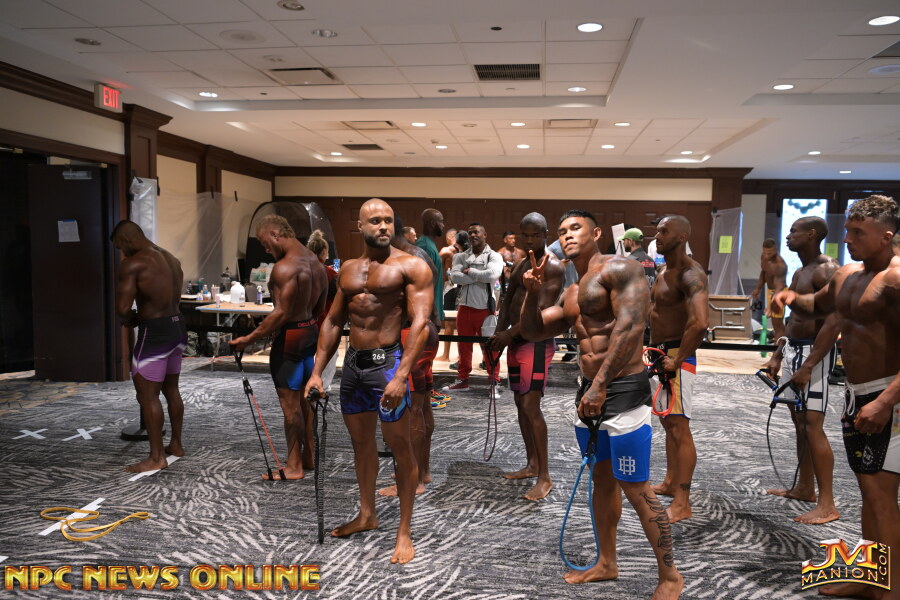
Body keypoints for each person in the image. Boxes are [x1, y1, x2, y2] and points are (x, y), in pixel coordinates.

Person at [520, 209, 683, 597]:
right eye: (562, 230)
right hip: (589, 393)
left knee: (636, 487)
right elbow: (532, 330)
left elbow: (631, 327)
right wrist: (531, 294)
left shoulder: (621, 268)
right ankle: (606, 562)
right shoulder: (572, 291)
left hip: (623, 392)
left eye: (575, 228)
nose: (567, 235)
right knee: (602, 480)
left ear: (595, 234)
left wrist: (601, 385)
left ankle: (670, 576)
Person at [774, 195, 900, 600]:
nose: (847, 239)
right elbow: (818, 305)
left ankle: (892, 588)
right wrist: (791, 299)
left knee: (882, 495)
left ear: (886, 236)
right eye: (847, 230)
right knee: (868, 491)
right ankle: (870, 577)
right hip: (857, 395)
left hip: (890, 398)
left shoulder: (896, 278)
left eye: (858, 233)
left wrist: (885, 402)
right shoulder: (848, 274)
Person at [304, 198, 433, 565]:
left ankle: (404, 531)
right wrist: (317, 371)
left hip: (387, 366)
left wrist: (402, 375)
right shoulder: (347, 269)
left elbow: (421, 324)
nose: (383, 226)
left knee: (400, 446)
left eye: (388, 220)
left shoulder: (411, 266)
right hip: (354, 368)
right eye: (375, 220)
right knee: (361, 445)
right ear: (359, 226)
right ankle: (367, 514)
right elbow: (333, 321)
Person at [230, 215, 328, 480]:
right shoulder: (316, 263)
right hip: (310, 333)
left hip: (290, 339)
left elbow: (281, 313)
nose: (265, 249)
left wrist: (248, 338)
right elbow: (320, 307)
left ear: (275, 234)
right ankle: (308, 456)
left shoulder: (284, 268)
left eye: (265, 242)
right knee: (306, 400)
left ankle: (294, 466)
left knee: (290, 406)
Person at [762, 217, 841, 524]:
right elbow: (792, 317)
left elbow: (833, 322)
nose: (788, 236)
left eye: (793, 231)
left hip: (814, 352)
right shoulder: (800, 271)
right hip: (794, 349)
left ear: (811, 234)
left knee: (812, 425)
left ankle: (827, 503)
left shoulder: (827, 269)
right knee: (799, 422)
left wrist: (809, 366)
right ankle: (805, 488)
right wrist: (778, 353)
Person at [490, 213, 565, 501]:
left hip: (536, 342)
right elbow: (508, 299)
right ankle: (532, 464)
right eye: (526, 235)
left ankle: (545, 476)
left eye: (536, 235)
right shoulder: (522, 262)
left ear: (547, 234)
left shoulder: (553, 266)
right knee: (521, 403)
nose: (531, 240)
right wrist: (499, 334)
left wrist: (508, 335)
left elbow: (541, 311)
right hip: (516, 341)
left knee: (531, 406)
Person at [112, 220, 187, 473]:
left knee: (147, 394)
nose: (122, 253)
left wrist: (133, 317)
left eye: (120, 247)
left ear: (127, 240)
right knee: (172, 389)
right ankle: (176, 444)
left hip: (155, 333)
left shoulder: (133, 264)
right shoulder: (172, 259)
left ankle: (156, 457)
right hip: (178, 326)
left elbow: (122, 309)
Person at [648, 215, 709, 523]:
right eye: (657, 230)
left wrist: (679, 359)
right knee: (668, 423)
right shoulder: (663, 270)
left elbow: (700, 323)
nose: (658, 235)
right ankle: (671, 482)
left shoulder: (690, 273)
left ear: (682, 236)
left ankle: (683, 502)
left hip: (676, 355)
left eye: (665, 231)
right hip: (660, 354)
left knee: (680, 427)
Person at [379, 216, 442, 497]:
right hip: (429, 331)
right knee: (424, 405)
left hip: (414, 333)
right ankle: (423, 471)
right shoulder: (421, 254)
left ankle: (413, 479)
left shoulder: (403, 257)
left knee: (412, 410)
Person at [445, 222, 504, 391]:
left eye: (476, 232)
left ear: (485, 235)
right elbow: (455, 277)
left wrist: (470, 272)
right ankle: (463, 380)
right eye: (470, 232)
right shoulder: (460, 256)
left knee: (490, 348)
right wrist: (480, 275)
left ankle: (494, 381)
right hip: (464, 308)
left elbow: (492, 275)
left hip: (485, 309)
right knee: (463, 347)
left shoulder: (494, 256)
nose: (473, 235)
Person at [306, 230, 339, 392]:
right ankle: (323, 386)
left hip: (303, 323)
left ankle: (306, 383)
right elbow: (337, 299)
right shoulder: (330, 273)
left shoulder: (300, 270)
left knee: (307, 356)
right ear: (324, 252)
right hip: (325, 322)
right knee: (329, 355)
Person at [437, 230, 467, 363]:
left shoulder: (446, 251)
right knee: (462, 322)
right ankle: (461, 356)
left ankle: (446, 355)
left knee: (449, 322)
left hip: (450, 287)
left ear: (449, 237)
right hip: (463, 287)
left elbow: (435, 268)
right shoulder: (467, 251)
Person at [751, 238, 788, 341]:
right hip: (770, 291)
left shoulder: (780, 265)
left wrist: (771, 307)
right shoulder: (764, 256)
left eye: (770, 253)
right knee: (774, 322)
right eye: (765, 252)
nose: (767, 256)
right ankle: (779, 343)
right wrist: (758, 289)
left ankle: (779, 347)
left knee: (777, 323)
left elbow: (779, 287)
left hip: (780, 292)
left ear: (775, 249)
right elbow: (764, 272)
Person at [499, 230, 526, 295]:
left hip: (519, 281)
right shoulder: (500, 253)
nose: (513, 240)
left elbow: (527, 265)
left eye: (514, 238)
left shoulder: (521, 252)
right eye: (511, 238)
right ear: (505, 240)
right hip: (506, 282)